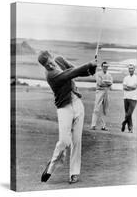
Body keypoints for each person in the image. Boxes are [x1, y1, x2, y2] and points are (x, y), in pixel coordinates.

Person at [38, 51, 97, 184]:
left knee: (77, 141)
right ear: (44, 67)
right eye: (47, 66)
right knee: (64, 141)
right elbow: (70, 74)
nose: (51, 66)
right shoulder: (51, 75)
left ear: (52, 57)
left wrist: (89, 71)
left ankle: (74, 173)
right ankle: (51, 167)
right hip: (64, 109)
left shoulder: (59, 59)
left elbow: (75, 69)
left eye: (51, 62)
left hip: (77, 103)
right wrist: (89, 64)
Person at [90, 61, 113, 131]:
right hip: (99, 91)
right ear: (102, 67)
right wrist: (107, 83)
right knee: (96, 108)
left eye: (106, 67)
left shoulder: (109, 75)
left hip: (106, 92)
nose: (105, 68)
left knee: (105, 109)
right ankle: (93, 125)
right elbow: (100, 83)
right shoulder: (98, 74)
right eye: (104, 66)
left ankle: (104, 126)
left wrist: (106, 83)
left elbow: (111, 84)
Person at [121, 64, 137, 133]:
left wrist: (128, 87)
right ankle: (130, 128)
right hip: (126, 97)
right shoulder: (126, 78)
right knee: (127, 114)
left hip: (134, 98)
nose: (130, 70)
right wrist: (130, 88)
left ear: (134, 69)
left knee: (129, 114)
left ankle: (124, 122)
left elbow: (135, 87)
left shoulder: (136, 78)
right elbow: (124, 87)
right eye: (129, 68)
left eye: (132, 68)